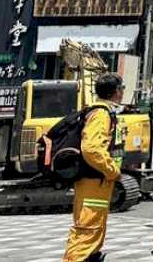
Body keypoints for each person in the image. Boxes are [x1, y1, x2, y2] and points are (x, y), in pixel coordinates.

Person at [62, 73, 126, 262]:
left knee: (91, 230)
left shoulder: (100, 111)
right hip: (94, 183)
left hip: (96, 182)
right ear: (116, 92)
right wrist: (112, 171)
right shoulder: (101, 114)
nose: (123, 92)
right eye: (121, 88)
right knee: (87, 231)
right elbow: (91, 149)